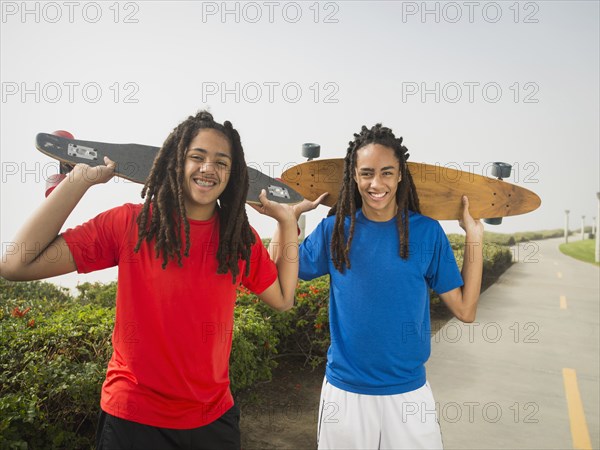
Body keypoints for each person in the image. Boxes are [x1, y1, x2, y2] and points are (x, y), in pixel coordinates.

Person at [0, 111, 299, 450]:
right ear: (175, 163)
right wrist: (77, 181)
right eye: (196, 157)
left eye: (221, 162)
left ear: (233, 175)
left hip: (213, 421)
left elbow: (283, 298)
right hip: (133, 420)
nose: (208, 169)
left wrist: (287, 223)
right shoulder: (130, 224)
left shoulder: (238, 240)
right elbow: (16, 264)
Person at [285, 123, 484, 449]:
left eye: (387, 173)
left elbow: (466, 310)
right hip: (345, 396)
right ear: (353, 176)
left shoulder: (427, 233)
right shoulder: (334, 231)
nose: (376, 184)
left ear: (401, 175)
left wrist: (474, 239)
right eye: (366, 173)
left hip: (408, 397)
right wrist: (286, 221)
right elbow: (282, 278)